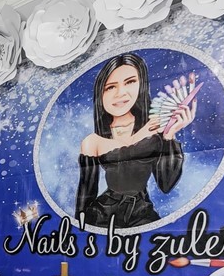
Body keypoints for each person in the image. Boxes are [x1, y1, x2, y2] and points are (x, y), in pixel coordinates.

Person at [76, 52, 196, 229]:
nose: (120, 93)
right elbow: (86, 194)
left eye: (130, 82)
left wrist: (169, 136)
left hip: (142, 213)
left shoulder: (156, 128)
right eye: (110, 87)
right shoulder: (92, 141)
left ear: (142, 85)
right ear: (100, 94)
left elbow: (166, 185)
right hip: (101, 215)